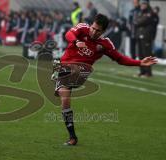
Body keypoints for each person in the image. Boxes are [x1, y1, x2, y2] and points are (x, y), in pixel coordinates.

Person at [53, 13, 157, 146]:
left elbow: (120, 59)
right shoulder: (82, 28)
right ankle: (72, 137)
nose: (94, 32)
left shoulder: (105, 44)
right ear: (91, 25)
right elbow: (68, 34)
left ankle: (59, 70)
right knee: (65, 101)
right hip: (65, 68)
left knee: (80, 69)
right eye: (93, 28)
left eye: (98, 31)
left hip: (81, 72)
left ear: (103, 31)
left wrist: (140, 63)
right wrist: (76, 41)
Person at [134, 0, 154, 77]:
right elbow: (135, 21)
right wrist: (138, 21)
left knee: (147, 55)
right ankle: (142, 71)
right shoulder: (140, 12)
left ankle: (148, 73)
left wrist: (138, 21)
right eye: (142, 4)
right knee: (140, 55)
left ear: (147, 5)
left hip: (146, 37)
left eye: (144, 4)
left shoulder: (149, 12)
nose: (142, 5)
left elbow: (141, 21)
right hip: (139, 35)